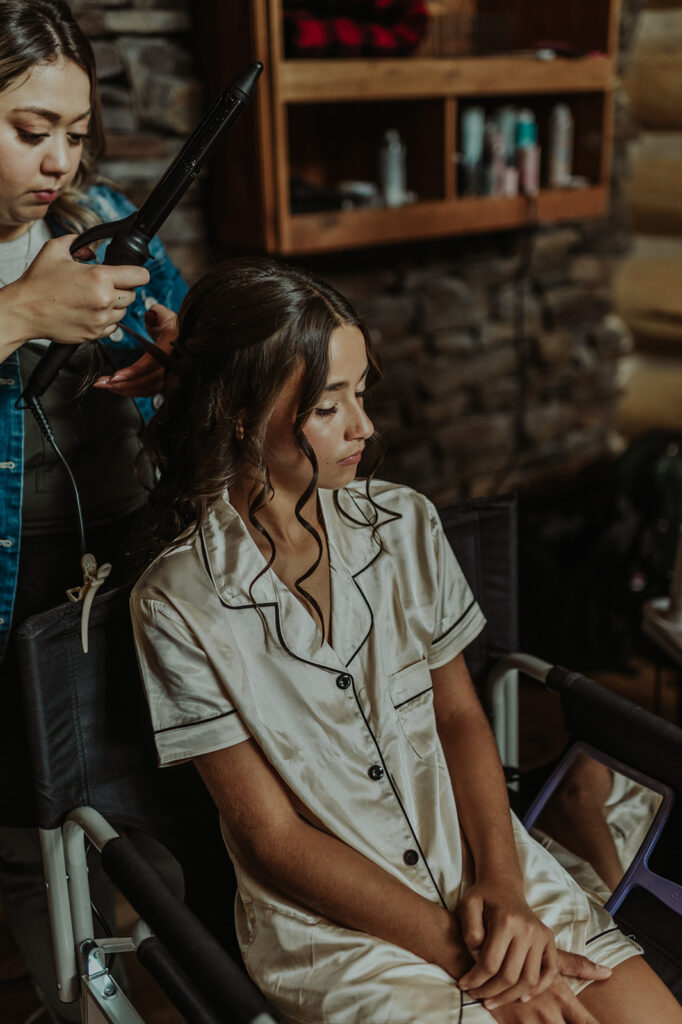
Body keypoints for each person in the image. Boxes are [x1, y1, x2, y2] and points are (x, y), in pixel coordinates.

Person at [131, 257, 682, 1024]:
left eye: (361, 394)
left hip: (482, 868)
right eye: (328, 407)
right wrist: (470, 961)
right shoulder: (175, 601)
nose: (365, 427)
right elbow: (273, 840)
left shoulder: (403, 523)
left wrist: (506, 888)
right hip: (340, 933)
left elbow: (458, 717)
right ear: (238, 413)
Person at [0, 1, 186, 1019]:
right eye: (32, 133)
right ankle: (77, 1000)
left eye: (74, 134)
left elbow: (189, 348)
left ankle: (160, 983)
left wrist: (175, 359)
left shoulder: (100, 219)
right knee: (33, 836)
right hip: (7, 581)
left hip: (121, 559)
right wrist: (19, 312)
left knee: (143, 808)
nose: (60, 162)